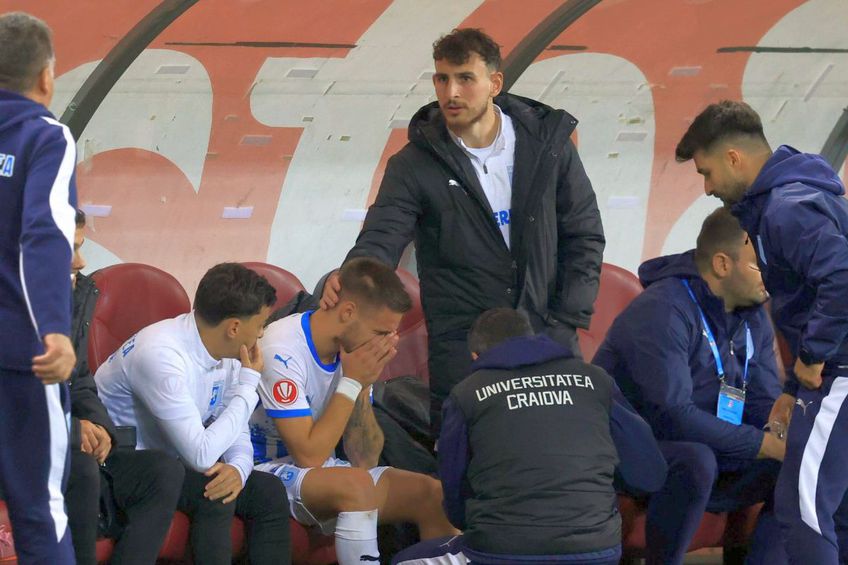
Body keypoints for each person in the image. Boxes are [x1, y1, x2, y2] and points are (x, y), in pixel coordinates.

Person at [322, 28, 605, 436]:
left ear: (495, 83)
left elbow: (584, 234)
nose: (451, 92)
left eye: (465, 78)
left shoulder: (548, 145)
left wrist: (565, 319)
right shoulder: (413, 164)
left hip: (546, 334)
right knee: (466, 458)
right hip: (462, 346)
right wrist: (351, 276)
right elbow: (383, 235)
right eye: (442, 78)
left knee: (558, 448)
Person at [676, 100, 848, 564]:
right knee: (836, 513)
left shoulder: (786, 210)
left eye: (707, 173)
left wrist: (811, 357)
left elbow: (841, 278)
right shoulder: (796, 198)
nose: (708, 188)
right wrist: (792, 388)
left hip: (839, 373)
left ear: (734, 158)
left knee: (803, 510)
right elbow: (812, 296)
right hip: (831, 372)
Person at [392, 308, 667, 565]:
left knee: (404, 560)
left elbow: (455, 497)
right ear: (533, 339)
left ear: (476, 356)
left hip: (501, 551)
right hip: (597, 549)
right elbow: (649, 474)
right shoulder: (595, 380)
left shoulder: (466, 394)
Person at [593, 207, 787, 564]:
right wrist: (761, 443)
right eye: (759, 266)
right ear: (722, 264)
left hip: (706, 442)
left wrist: (784, 433)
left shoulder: (751, 314)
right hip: (631, 447)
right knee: (696, 460)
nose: (770, 277)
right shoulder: (663, 310)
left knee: (800, 461)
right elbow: (673, 415)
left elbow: (762, 400)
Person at [250, 257, 458, 565]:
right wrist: (350, 382)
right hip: (259, 470)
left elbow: (365, 460)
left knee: (433, 494)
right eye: (381, 332)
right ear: (348, 312)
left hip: (321, 474)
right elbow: (309, 457)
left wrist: (361, 387)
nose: (387, 344)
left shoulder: (352, 353)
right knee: (355, 487)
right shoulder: (281, 349)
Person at [96, 263, 291, 565]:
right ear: (234, 328)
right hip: (116, 464)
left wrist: (238, 469)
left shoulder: (225, 350)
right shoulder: (161, 354)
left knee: (264, 490)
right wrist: (249, 383)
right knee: (207, 485)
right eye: (261, 324)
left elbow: (233, 423)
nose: (262, 333)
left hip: (171, 461)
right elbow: (200, 455)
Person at [63, 209, 185, 564]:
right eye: (68, 249)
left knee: (162, 471)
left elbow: (79, 379)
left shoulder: (75, 296)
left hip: (60, 440)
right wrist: (73, 431)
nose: (81, 262)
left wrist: (99, 426)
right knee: (80, 470)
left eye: (80, 247)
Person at [0, 12, 77, 564]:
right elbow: (44, 234)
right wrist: (55, 329)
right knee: (38, 511)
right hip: (23, 357)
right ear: (47, 77)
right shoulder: (46, 136)